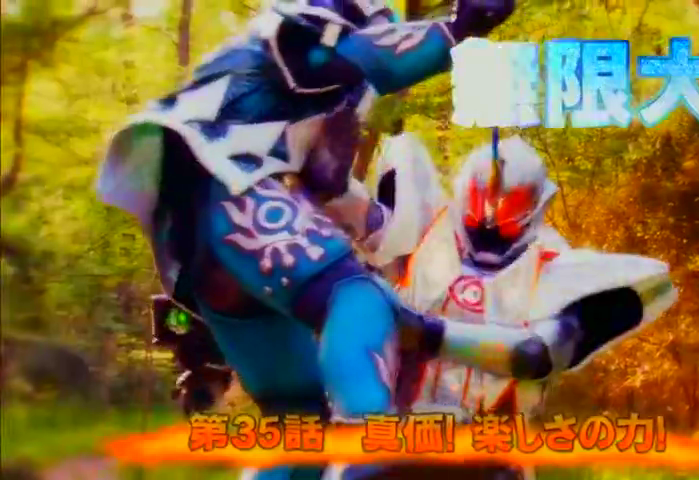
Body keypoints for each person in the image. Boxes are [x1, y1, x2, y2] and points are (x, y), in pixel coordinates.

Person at [95, 1, 515, 479]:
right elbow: (361, 56)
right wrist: (458, 27)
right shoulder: (290, 39)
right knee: (354, 296)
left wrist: (383, 225)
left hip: (201, 254)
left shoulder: (301, 92)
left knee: (299, 421)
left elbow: (327, 182)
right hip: (234, 193)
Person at [329, 131, 678, 480]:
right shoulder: (424, 230)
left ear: (534, 206)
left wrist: (426, 333)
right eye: (482, 198)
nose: (491, 216)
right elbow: (351, 211)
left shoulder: (555, 268)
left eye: (511, 205)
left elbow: (535, 354)